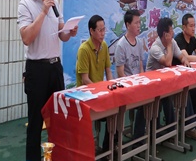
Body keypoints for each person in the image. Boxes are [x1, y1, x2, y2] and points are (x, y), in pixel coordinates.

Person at [18, 0, 78, 161]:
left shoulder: (55, 2)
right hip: (37, 69)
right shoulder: (25, 4)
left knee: (59, 119)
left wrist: (69, 31)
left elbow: (62, 35)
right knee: (36, 122)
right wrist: (43, 11)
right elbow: (27, 38)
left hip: (55, 67)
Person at [172, 13, 196, 142]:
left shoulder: (193, 39)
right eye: (191, 26)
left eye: (194, 25)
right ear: (184, 27)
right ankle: (191, 127)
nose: (193, 28)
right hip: (177, 78)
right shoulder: (178, 39)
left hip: (189, 76)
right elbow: (186, 57)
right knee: (188, 94)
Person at [146, 17, 189, 132]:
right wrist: (169, 45)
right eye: (171, 31)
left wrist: (184, 60)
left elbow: (181, 56)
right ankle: (163, 130)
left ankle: (172, 129)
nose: (173, 33)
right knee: (165, 98)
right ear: (165, 34)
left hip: (164, 82)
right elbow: (168, 62)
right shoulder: (155, 47)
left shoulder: (172, 42)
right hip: (152, 84)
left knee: (182, 91)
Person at [114, 10, 146, 140]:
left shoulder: (139, 42)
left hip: (138, 84)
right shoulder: (121, 45)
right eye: (136, 23)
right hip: (127, 86)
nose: (139, 25)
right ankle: (138, 138)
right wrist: (131, 86)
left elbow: (140, 66)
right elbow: (120, 72)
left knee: (150, 100)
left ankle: (140, 135)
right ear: (128, 25)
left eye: (139, 22)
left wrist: (143, 82)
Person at [76, 14, 112, 86]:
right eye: (100, 30)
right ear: (91, 31)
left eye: (104, 30)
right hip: (86, 91)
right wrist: (98, 90)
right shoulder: (84, 49)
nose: (103, 34)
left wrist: (111, 86)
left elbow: (108, 71)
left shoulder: (104, 45)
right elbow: (85, 79)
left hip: (99, 89)